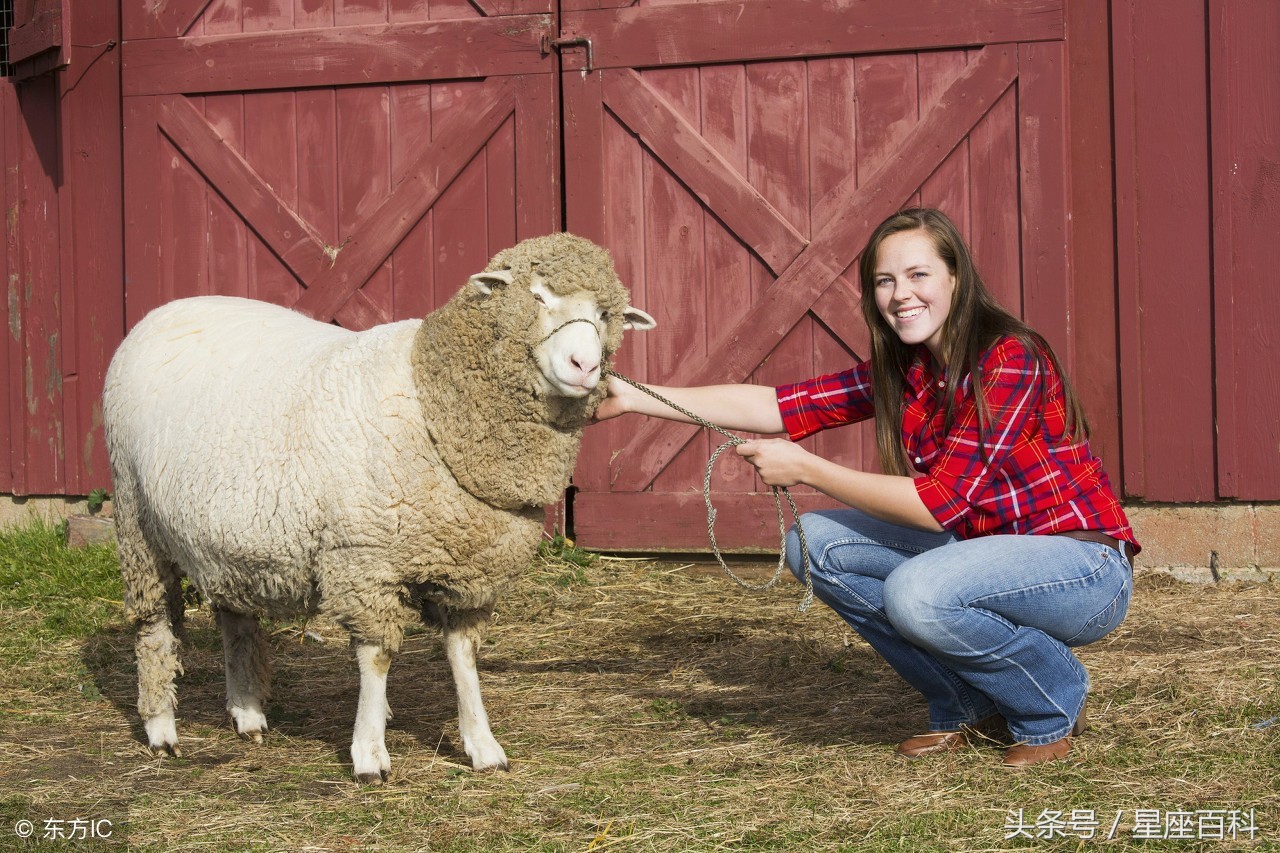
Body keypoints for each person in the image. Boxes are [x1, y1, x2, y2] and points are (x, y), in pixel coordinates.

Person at [593, 207, 1138, 768]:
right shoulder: (909, 370)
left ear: (956, 278)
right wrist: (637, 396)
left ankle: (1047, 698)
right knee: (813, 542)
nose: (901, 293)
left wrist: (809, 469)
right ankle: (965, 703)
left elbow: (937, 505)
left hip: (1081, 566)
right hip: (978, 553)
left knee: (918, 593)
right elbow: (780, 406)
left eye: (918, 275)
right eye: (885, 280)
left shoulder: (1010, 358)